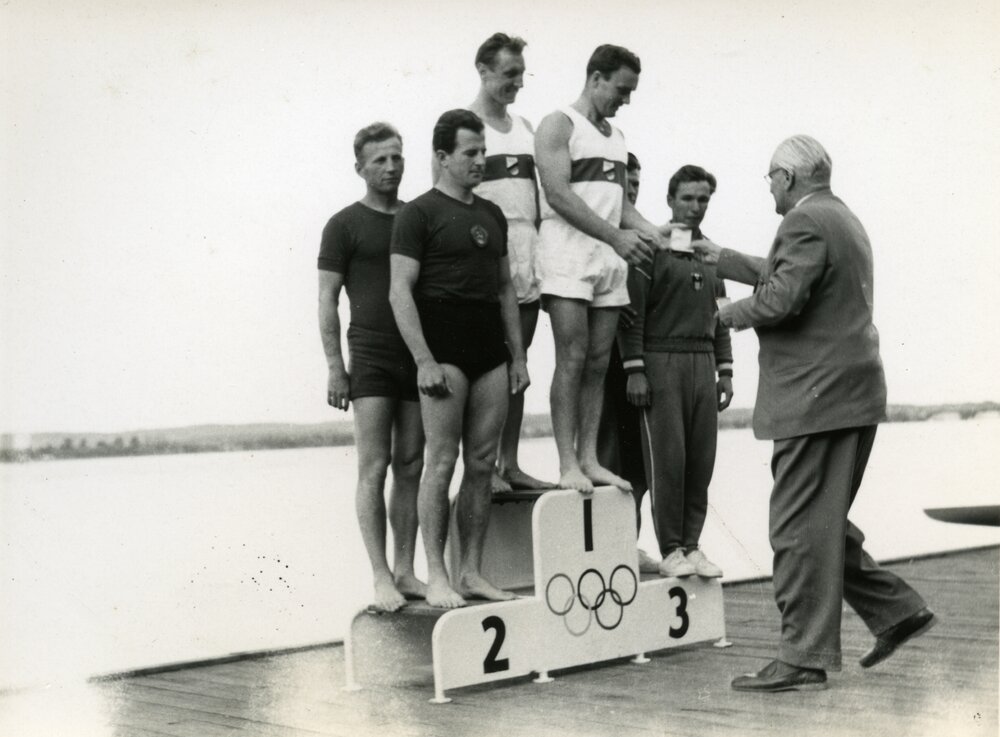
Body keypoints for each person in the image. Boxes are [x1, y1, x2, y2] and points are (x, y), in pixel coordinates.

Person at [692, 135, 935, 692]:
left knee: (797, 529)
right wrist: (721, 257)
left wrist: (721, 318)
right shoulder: (839, 218)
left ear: (788, 177)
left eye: (770, 179)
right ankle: (896, 610)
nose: (769, 188)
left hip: (815, 401)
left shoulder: (803, 223)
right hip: (851, 394)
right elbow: (790, 274)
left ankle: (801, 657)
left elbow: (781, 298)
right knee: (820, 522)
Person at [389, 109, 529, 608]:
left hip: (489, 347)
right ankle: (438, 575)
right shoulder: (418, 213)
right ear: (443, 157)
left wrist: (517, 356)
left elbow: (506, 290)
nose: (480, 161)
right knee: (441, 460)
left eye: (483, 152)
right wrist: (423, 360)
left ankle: (471, 570)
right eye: (470, 153)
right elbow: (399, 292)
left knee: (481, 462)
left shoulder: (490, 215)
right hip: (443, 349)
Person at [535, 44, 676, 494]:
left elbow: (620, 207)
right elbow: (557, 194)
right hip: (568, 254)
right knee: (572, 358)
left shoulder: (616, 137)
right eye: (621, 89)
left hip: (607, 260)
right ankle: (566, 463)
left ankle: (589, 457)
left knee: (598, 361)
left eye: (631, 92)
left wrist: (655, 232)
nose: (625, 101)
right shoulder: (558, 123)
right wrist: (615, 236)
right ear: (595, 78)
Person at [317, 122, 425, 613]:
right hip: (372, 355)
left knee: (411, 465)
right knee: (374, 466)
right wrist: (336, 368)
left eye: (397, 157)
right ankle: (380, 577)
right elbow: (327, 299)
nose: (390, 167)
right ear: (359, 167)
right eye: (379, 160)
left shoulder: (418, 217)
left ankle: (406, 570)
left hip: (417, 355)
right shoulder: (344, 224)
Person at [622, 165, 733, 579]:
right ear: (670, 200)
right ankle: (670, 548)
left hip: (702, 362)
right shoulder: (653, 247)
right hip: (661, 359)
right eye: (687, 198)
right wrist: (635, 368)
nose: (695, 207)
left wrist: (725, 370)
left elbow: (720, 317)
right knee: (668, 462)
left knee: (700, 462)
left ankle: (692, 544)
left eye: (703, 199)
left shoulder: (711, 253)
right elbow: (631, 312)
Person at [468, 32, 555, 494]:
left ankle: (511, 462)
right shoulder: (464, 127)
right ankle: (480, 466)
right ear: (483, 71)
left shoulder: (526, 126)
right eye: (508, 74)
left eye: (521, 74)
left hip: (526, 247)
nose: (517, 83)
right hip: (484, 250)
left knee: (519, 363)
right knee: (489, 364)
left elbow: (541, 199)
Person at [597, 152, 656, 571]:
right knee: (608, 459)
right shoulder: (595, 234)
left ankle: (628, 544)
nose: (630, 190)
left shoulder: (645, 238)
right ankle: (604, 549)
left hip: (640, 361)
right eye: (623, 183)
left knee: (639, 463)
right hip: (603, 362)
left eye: (635, 183)